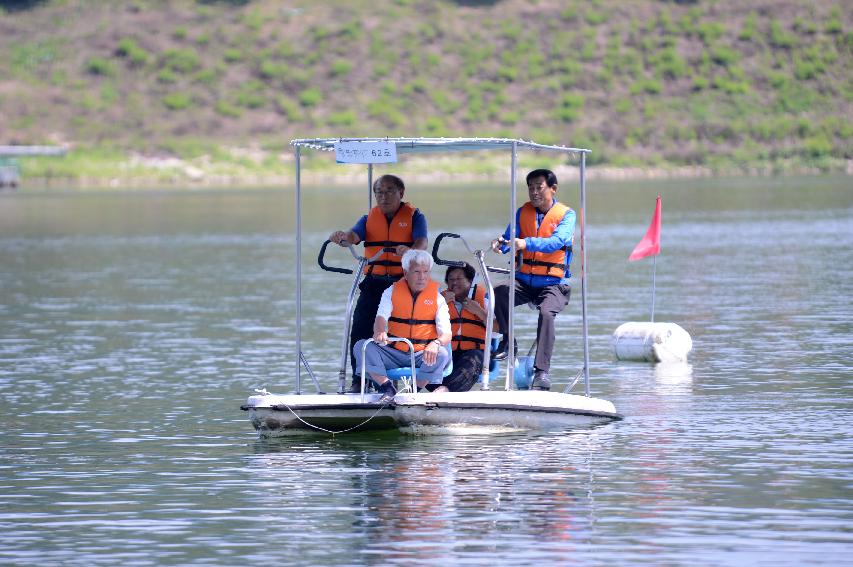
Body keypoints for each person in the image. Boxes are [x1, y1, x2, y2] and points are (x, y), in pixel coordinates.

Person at [328, 174, 428, 392]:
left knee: (394, 330)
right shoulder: (368, 219)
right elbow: (353, 236)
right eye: (379, 192)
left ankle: (390, 379)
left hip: (402, 284)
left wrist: (412, 251)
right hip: (374, 281)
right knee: (361, 328)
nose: (383, 197)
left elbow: (422, 241)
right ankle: (360, 380)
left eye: (389, 191)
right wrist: (342, 237)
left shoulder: (416, 217)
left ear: (401, 193)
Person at [490, 168, 575, 391]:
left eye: (539, 187)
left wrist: (526, 243)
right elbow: (510, 238)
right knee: (499, 292)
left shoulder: (567, 215)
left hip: (554, 284)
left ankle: (541, 372)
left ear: (553, 189)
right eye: (530, 188)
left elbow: (556, 242)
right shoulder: (522, 212)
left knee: (546, 313)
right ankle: (509, 342)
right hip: (525, 281)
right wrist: (500, 243)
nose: (534, 192)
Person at [353, 249, 452, 403]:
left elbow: (446, 334)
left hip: (422, 354)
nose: (422, 277)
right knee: (361, 346)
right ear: (406, 273)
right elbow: (381, 317)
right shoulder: (390, 292)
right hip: (394, 352)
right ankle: (387, 388)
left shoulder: (438, 298)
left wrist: (436, 343)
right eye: (417, 272)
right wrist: (379, 331)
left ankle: (414, 391)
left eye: (426, 272)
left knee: (443, 354)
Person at [436, 263, 496, 392]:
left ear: (470, 281)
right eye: (451, 279)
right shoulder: (438, 300)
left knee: (473, 358)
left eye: (459, 279)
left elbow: (498, 329)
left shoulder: (485, 300)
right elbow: (424, 325)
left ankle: (446, 390)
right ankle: (445, 389)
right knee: (429, 357)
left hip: (476, 352)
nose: (455, 283)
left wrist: (479, 312)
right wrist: (439, 305)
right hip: (448, 352)